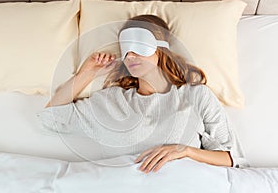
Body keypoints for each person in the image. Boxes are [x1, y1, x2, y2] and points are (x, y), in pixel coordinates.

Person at [37, 14, 249, 173]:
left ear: (161, 49)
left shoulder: (196, 96)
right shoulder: (112, 100)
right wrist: (87, 74)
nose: (130, 55)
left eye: (139, 45)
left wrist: (185, 151)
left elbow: (234, 159)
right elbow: (51, 120)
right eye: (125, 49)